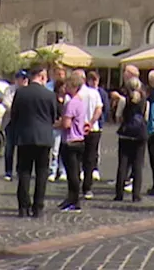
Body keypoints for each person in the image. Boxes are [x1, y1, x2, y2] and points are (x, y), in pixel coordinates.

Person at [9, 66, 58, 218]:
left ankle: (23, 207)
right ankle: (38, 207)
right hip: (43, 137)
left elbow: (14, 114)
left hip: (24, 137)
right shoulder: (49, 95)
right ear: (42, 76)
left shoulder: (20, 93)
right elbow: (54, 116)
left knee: (24, 172)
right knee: (42, 173)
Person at [114, 75, 148, 202]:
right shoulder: (145, 101)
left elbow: (118, 116)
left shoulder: (124, 100)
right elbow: (146, 117)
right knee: (138, 165)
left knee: (123, 164)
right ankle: (136, 194)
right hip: (140, 135)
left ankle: (119, 193)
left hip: (126, 134)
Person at [58, 73, 88, 212]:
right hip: (80, 140)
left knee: (72, 173)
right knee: (75, 172)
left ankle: (74, 200)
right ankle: (71, 198)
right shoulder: (80, 102)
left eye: (68, 85)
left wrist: (54, 124)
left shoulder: (71, 103)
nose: (65, 87)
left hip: (70, 141)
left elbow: (66, 124)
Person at [74, 69, 104, 199]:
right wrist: (91, 122)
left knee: (76, 158)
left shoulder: (77, 94)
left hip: (78, 129)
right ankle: (87, 188)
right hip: (93, 129)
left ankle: (75, 187)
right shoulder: (94, 93)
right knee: (90, 159)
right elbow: (99, 109)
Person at [1, 70, 27, 180]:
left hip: (24, 122)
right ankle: (8, 171)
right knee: (9, 147)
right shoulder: (10, 90)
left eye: (25, 78)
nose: (23, 80)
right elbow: (6, 103)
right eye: (21, 78)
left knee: (23, 148)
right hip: (11, 121)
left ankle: (20, 170)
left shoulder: (28, 90)